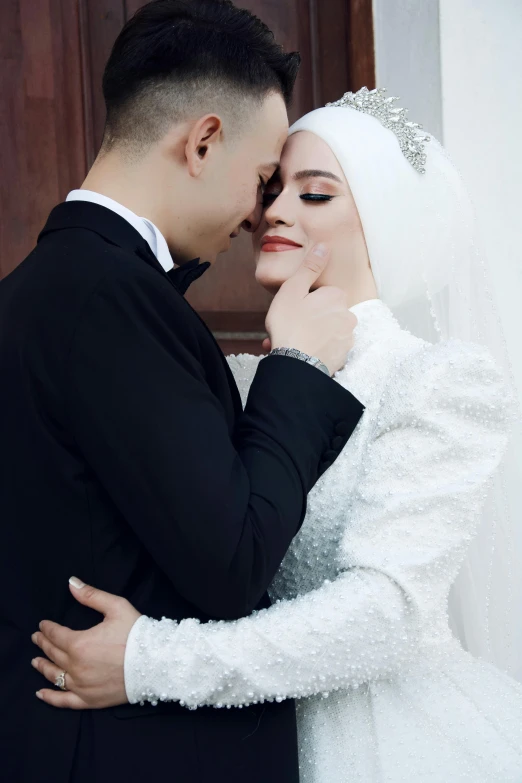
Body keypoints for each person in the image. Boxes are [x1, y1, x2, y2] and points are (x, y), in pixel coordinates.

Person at [33, 88, 522, 782]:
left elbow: (384, 614)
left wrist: (150, 660)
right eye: (274, 186)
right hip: (244, 741)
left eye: (315, 194)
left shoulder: (439, 380)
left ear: (386, 222)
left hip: (390, 738)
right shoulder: (232, 378)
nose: (275, 211)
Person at [0, 2, 364, 782]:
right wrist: (296, 365)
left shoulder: (46, 287)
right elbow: (233, 561)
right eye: (265, 179)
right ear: (202, 140)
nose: (260, 212)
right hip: (138, 752)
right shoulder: (108, 299)